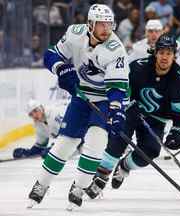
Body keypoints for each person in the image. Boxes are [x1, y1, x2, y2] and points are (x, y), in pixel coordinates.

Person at [27, 4, 129, 209]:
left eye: (109, 24)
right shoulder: (74, 33)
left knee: (96, 143)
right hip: (82, 97)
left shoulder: (116, 49)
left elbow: (117, 88)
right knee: (65, 142)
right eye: (101, 24)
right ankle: (41, 184)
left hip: (106, 99)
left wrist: (117, 111)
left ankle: (79, 187)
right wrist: (61, 69)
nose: (106, 29)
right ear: (90, 24)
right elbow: (50, 55)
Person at [85, 33, 180, 201]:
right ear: (155, 52)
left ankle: (124, 166)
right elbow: (121, 86)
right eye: (162, 52)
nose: (165, 57)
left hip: (157, 119)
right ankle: (101, 176)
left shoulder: (179, 79)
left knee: (149, 152)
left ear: (174, 55)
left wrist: (178, 132)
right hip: (131, 111)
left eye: (169, 53)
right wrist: (127, 103)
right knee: (118, 140)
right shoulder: (137, 67)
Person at [128, 19, 180, 83]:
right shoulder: (137, 47)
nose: (154, 34)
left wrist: (177, 86)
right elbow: (127, 70)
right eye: (150, 31)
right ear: (145, 32)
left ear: (162, 32)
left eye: (157, 31)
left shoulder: (175, 45)